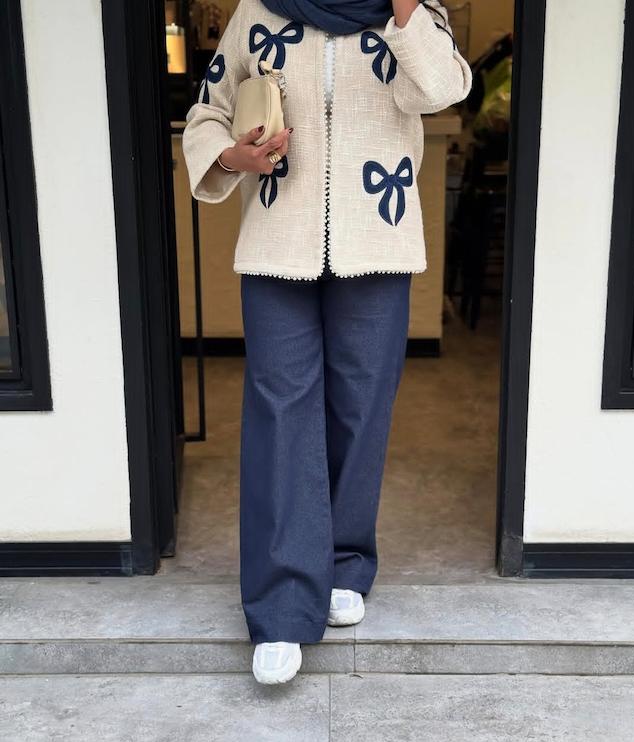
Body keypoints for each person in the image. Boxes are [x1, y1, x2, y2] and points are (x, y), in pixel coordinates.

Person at [182, 0, 472, 684]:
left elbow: (441, 89)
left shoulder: (411, 14)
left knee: (361, 408)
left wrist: (404, 11)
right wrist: (231, 155)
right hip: (277, 244)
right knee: (280, 411)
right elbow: (208, 111)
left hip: (378, 240)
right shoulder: (259, 12)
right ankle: (282, 606)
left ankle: (344, 561)